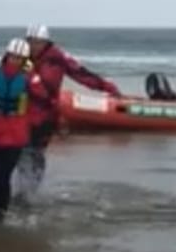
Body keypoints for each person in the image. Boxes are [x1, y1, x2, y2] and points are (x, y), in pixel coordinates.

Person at [20, 24, 121, 200]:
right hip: (22, 113)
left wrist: (105, 86)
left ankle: (31, 191)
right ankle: (20, 189)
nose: (33, 46)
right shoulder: (21, 56)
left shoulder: (57, 57)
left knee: (36, 153)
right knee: (20, 151)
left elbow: (80, 73)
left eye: (37, 42)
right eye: (30, 42)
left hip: (45, 115)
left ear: (45, 42)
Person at [0, 38, 50, 221]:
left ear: (24, 60)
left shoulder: (31, 79)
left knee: (3, 177)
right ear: (7, 56)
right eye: (12, 57)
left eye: (19, 58)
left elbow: (42, 101)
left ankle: (2, 212)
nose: (14, 61)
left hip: (16, 136)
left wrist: (40, 126)